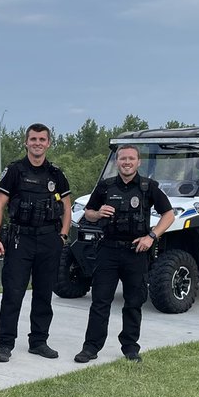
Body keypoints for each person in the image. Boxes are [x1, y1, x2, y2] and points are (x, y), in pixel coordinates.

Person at [74, 145, 175, 364]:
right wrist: (97, 213)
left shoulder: (149, 187)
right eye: (122, 158)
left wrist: (152, 236)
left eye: (131, 158)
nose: (126, 162)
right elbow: (88, 213)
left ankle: (130, 347)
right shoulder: (105, 186)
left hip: (136, 251)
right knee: (100, 301)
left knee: (133, 302)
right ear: (116, 162)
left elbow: (169, 215)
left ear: (138, 162)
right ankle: (91, 347)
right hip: (108, 250)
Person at [0, 123, 73, 362]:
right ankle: (5, 344)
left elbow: (67, 208)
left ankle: (39, 341)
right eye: (33, 139)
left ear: (48, 143)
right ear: (26, 142)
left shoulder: (56, 174)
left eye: (42, 139)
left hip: (49, 240)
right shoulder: (15, 170)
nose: (37, 143)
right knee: (13, 293)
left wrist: (63, 236)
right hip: (20, 239)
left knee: (44, 294)